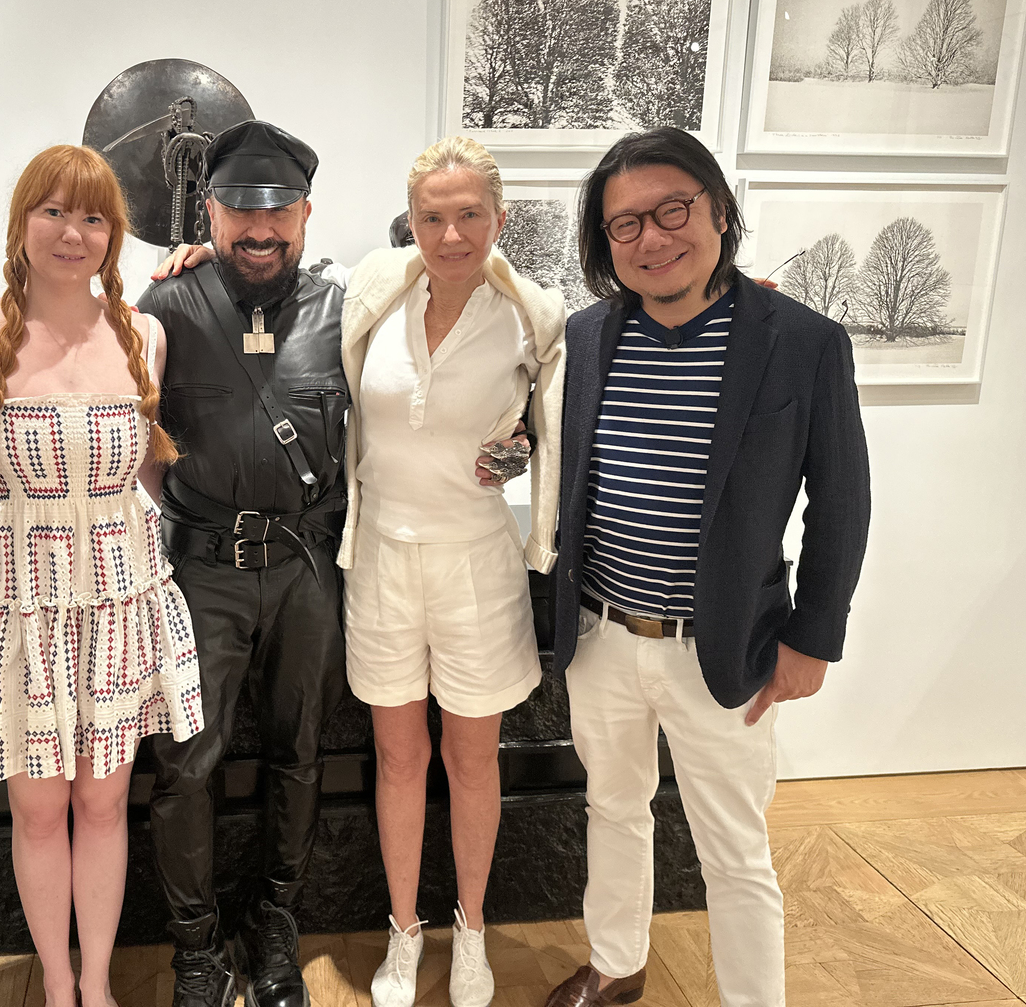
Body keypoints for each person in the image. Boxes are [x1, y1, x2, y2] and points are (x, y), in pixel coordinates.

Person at [543, 128, 870, 1007]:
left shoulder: (800, 342)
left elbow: (841, 502)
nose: (652, 239)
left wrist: (812, 640)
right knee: (612, 809)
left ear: (719, 211)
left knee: (733, 846)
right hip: (603, 634)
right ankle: (617, 963)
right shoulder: (587, 336)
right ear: (604, 244)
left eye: (672, 211)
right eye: (625, 226)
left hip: (725, 645)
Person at [0, 145, 202, 1007]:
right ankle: (56, 983)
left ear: (113, 234)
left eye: (92, 216)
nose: (72, 232)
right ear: (21, 222)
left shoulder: (145, 332)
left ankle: (100, 980)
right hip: (22, 608)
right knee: (40, 811)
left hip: (121, 601)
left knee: (106, 804)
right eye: (53, 211)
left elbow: (151, 475)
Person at [337, 136, 565, 1007]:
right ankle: (404, 931)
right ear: (413, 220)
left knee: (473, 759)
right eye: (434, 215)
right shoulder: (375, 291)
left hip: (477, 559)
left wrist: (523, 449)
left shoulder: (531, 311)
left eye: (471, 213)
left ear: (499, 217)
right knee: (398, 756)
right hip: (385, 557)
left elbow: (556, 415)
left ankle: (471, 929)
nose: (453, 232)